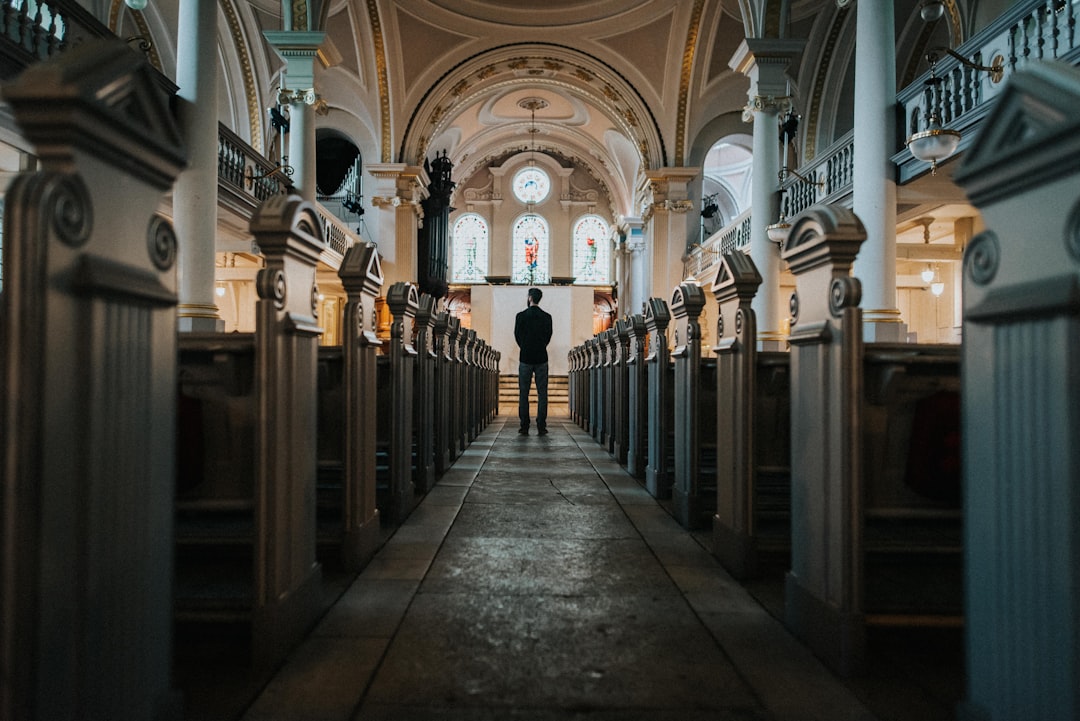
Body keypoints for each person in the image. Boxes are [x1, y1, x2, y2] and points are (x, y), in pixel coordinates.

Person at [514, 287, 553, 435]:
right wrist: (540, 346)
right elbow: (548, 336)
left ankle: (524, 425)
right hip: (542, 357)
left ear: (530, 298)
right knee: (542, 393)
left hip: (525, 357)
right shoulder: (547, 317)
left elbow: (517, 335)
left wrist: (525, 347)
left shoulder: (521, 316)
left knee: (524, 392)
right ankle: (541, 425)